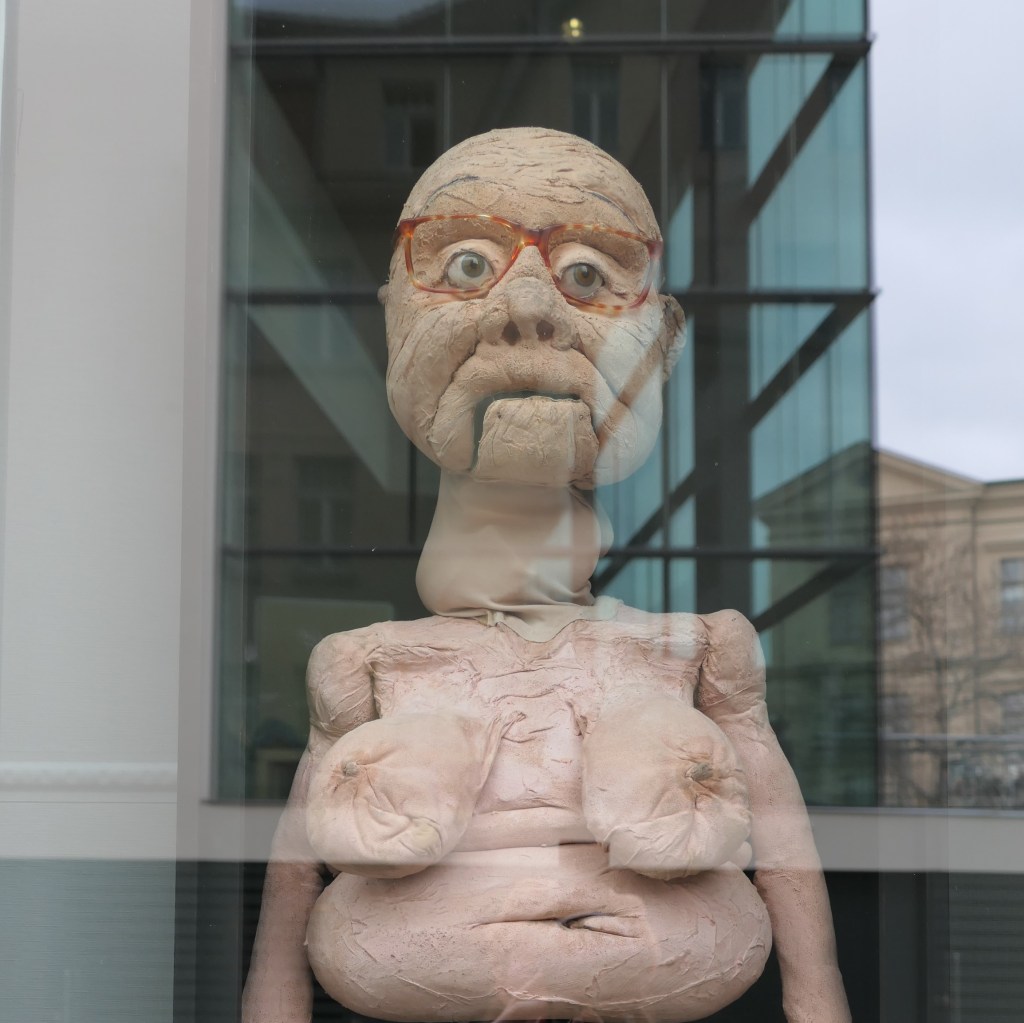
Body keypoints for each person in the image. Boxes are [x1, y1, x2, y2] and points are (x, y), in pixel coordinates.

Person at [242, 127, 851, 1023]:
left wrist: (820, 998)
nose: (527, 308)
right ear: (393, 322)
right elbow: (293, 886)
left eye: (588, 275)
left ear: (663, 343)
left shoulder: (697, 649)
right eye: (466, 264)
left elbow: (784, 851)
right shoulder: (365, 661)